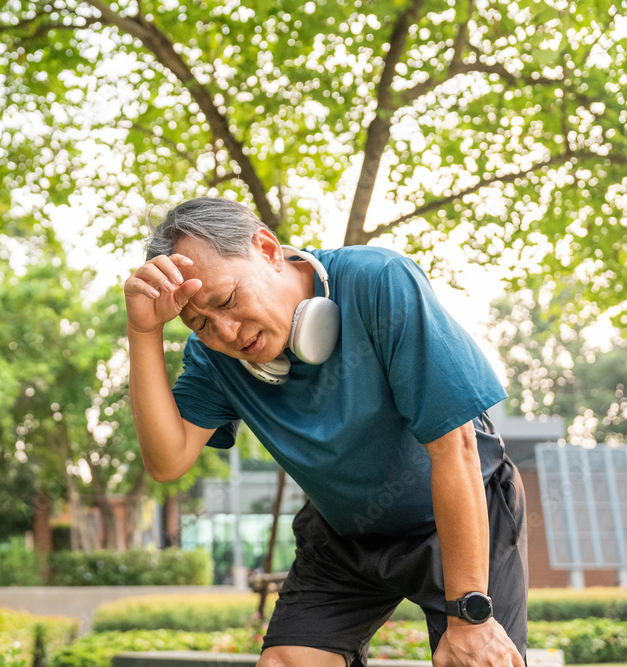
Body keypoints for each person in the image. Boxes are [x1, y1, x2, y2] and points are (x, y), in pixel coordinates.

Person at [123, 198, 528, 667]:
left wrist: (469, 617)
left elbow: (454, 449)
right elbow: (167, 460)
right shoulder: (214, 358)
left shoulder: (380, 281)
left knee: (474, 659)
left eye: (227, 300)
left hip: (457, 511)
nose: (227, 332)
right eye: (199, 324)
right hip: (342, 530)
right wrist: (143, 330)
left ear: (268, 249)